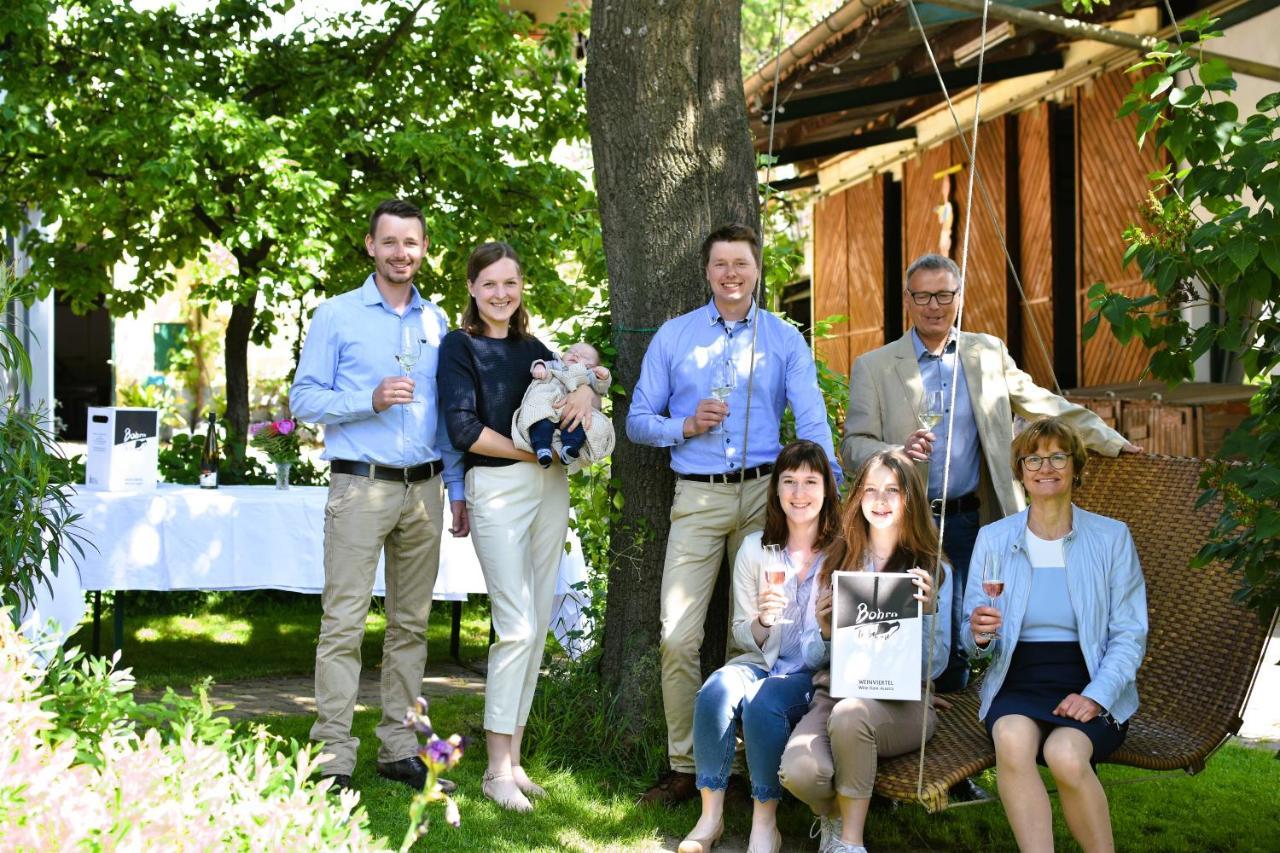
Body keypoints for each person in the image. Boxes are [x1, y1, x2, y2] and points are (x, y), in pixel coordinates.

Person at [841, 253, 1141, 697]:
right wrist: (895, 451)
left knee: (965, 637)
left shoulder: (987, 353)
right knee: (904, 634)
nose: (934, 305)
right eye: (922, 295)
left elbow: (1045, 404)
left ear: (959, 297)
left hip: (971, 521)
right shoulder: (875, 366)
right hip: (905, 522)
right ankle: (903, 736)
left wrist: (1110, 440)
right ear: (907, 300)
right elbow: (852, 447)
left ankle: (954, 753)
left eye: (944, 294)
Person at [628, 223, 843, 805]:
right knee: (678, 636)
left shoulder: (782, 339)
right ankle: (685, 764)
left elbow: (812, 420)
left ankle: (746, 764)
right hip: (696, 495)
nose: (731, 274)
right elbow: (637, 419)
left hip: (766, 499)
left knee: (753, 636)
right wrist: (685, 425)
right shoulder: (675, 337)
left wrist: (835, 493)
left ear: (757, 271)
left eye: (741, 264)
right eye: (720, 264)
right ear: (707, 272)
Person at [290, 199, 466, 794]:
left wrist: (457, 488)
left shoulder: (437, 321)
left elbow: (444, 416)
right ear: (370, 246)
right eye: (389, 242)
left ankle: (397, 747)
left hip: (425, 489)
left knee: (410, 626)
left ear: (423, 249)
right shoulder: (336, 316)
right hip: (359, 485)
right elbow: (303, 401)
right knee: (342, 623)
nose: (401, 254)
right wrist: (368, 398)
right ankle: (334, 753)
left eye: (411, 243)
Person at [439, 240, 598, 812]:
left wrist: (583, 385)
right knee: (516, 628)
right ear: (473, 291)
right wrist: (531, 455)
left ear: (520, 287)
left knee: (536, 619)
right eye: (490, 285)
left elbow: (575, 378)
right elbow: (462, 428)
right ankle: (494, 772)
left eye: (510, 283)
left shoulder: (534, 347)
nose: (501, 294)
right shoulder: (460, 347)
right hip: (499, 488)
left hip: (550, 489)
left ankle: (516, 760)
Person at [963, 417, 1147, 852]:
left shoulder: (1111, 537)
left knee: (1066, 755)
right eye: (1034, 458)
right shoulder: (993, 538)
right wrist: (980, 636)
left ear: (1076, 467)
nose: (1046, 467)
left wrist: (1096, 695)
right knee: (1011, 739)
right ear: (1021, 471)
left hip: (1089, 678)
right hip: (1017, 677)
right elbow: (972, 641)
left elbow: (1130, 633)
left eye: (1058, 456)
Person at [779, 449, 950, 853]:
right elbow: (809, 654)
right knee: (800, 772)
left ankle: (850, 844)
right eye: (871, 490)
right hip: (834, 691)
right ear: (857, 498)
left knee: (852, 715)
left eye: (892, 490)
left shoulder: (933, 567)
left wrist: (928, 614)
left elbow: (938, 662)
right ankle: (835, 815)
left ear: (911, 498)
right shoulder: (836, 560)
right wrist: (823, 633)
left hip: (903, 703)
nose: (880, 500)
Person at [677, 440, 842, 853]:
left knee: (765, 701)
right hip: (764, 660)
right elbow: (739, 632)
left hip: (814, 670)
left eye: (810, 482)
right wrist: (763, 622)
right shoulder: (755, 548)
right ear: (776, 491)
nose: (799, 493)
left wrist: (824, 630)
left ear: (826, 490)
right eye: (789, 482)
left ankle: (764, 823)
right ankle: (710, 816)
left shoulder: (841, 552)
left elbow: (847, 638)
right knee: (715, 690)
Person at [512, 341, 614, 471]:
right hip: (550, 405)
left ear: (592, 366)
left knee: (582, 425)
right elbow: (541, 363)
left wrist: (604, 376)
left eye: (584, 356)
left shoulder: (588, 374)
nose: (576, 354)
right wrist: (539, 367)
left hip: (573, 413)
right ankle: (542, 449)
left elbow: (601, 387)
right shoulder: (555, 364)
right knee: (539, 420)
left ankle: (570, 448)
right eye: (572, 351)